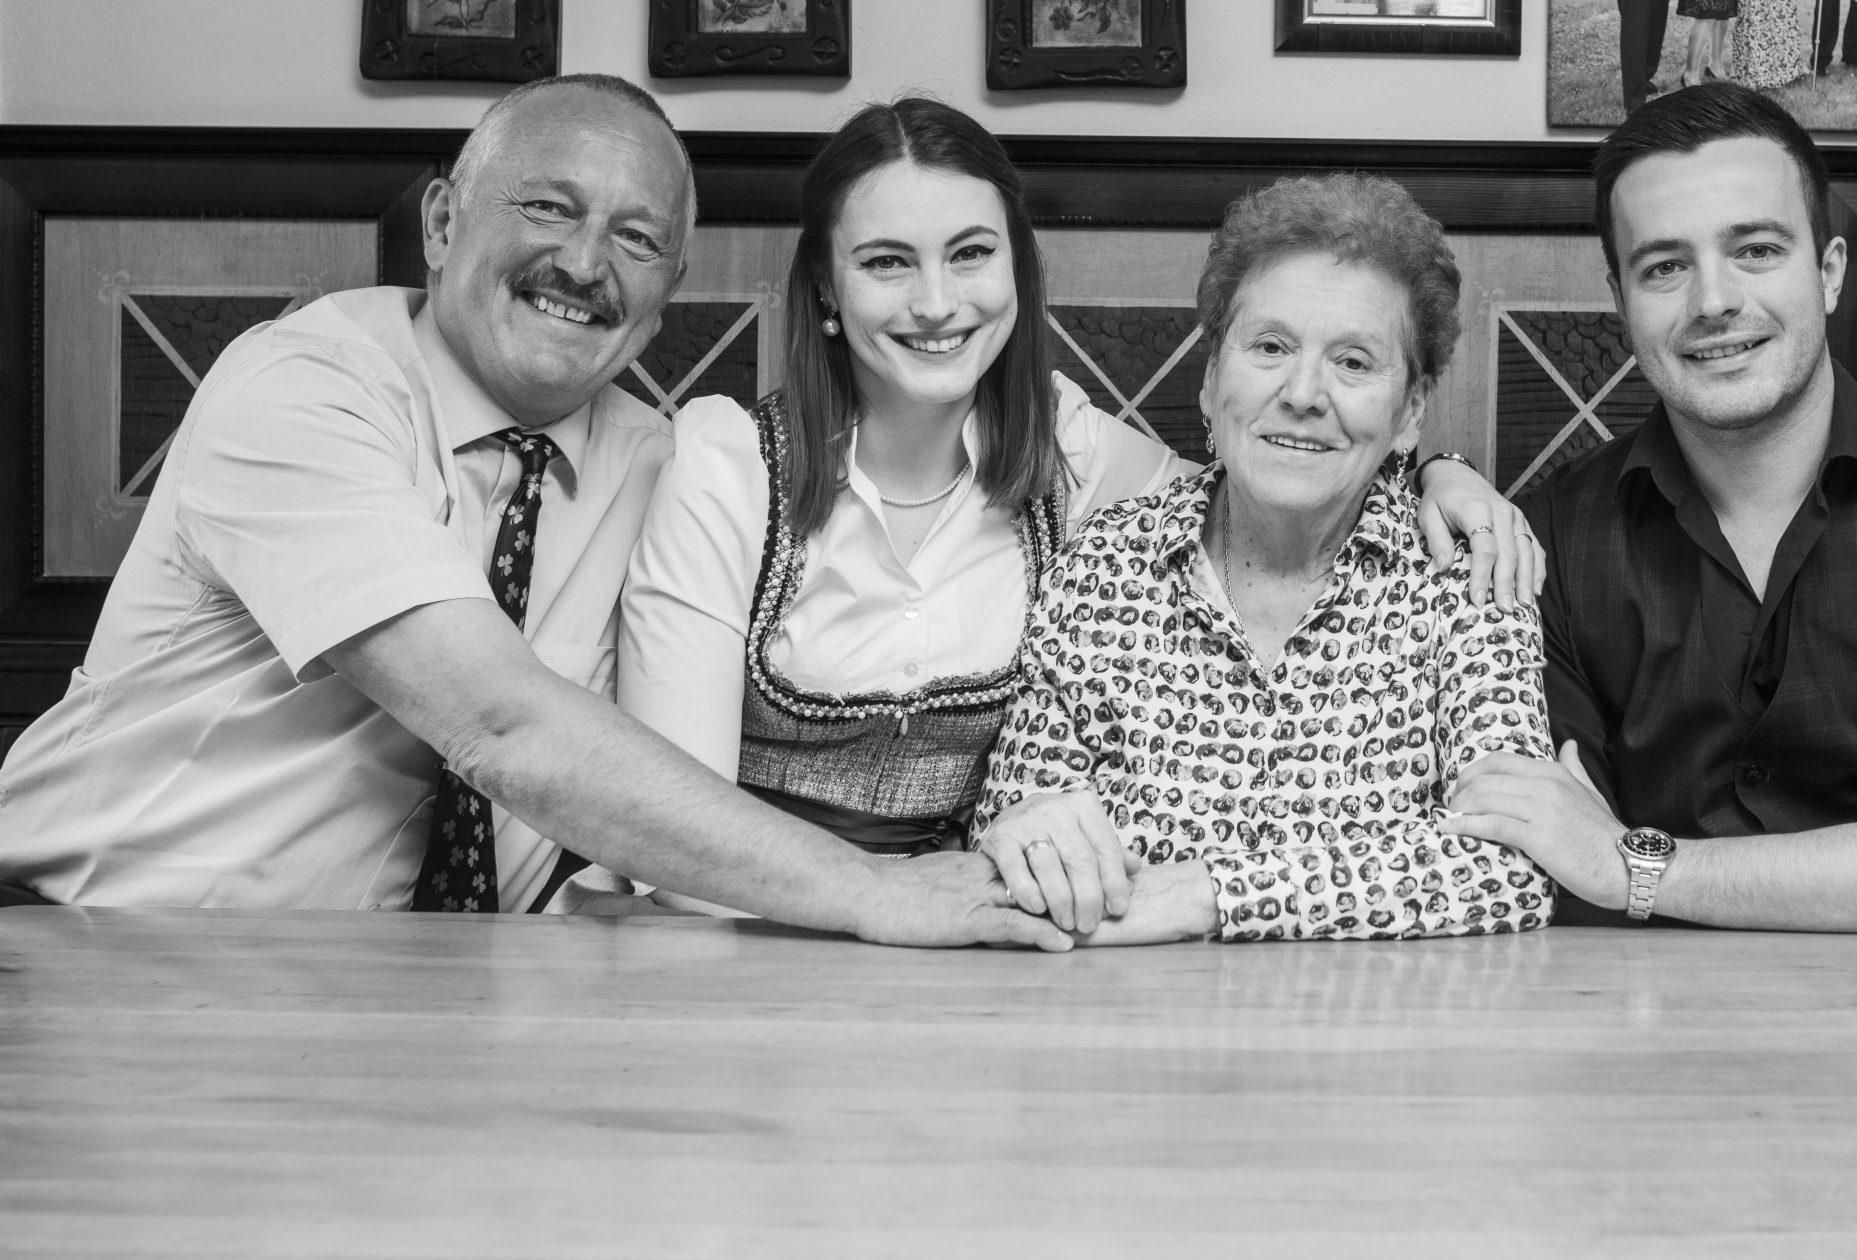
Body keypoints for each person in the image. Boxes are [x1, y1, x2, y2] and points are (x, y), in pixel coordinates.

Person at [0, 78, 1067, 946]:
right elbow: (501, 723)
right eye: (548, 207)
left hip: (439, 999)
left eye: (637, 239)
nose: (585, 264)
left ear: (669, 288)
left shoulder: (673, 466)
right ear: (441, 220)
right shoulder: (304, 388)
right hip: (102, 946)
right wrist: (880, 894)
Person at [613, 102, 1544, 920]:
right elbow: (667, 826)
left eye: (971, 255)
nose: (937, 302)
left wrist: (1437, 473)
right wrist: (895, 904)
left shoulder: (1072, 458)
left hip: (978, 938)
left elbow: (1268, 468)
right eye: (888, 262)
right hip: (738, 929)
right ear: (825, 284)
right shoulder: (732, 466)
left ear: (1016, 269)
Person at [1448, 86, 1857, 933]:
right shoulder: (1547, 544)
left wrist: (1636, 868)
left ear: (1828, 272)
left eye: (1754, 249)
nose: (1713, 301)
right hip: (1625, 1031)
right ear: (1620, 297)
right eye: (1665, 266)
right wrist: (1436, 469)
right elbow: (1537, 850)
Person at [971, 174, 1555, 943]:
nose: (1304, 392)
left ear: (1410, 411)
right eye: (1271, 347)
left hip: (1389, 1041)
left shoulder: (1468, 578)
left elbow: (1513, 871)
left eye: (1354, 362)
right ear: (1212, 382)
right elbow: (1021, 845)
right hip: (1129, 1031)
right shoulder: (1104, 567)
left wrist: (1206, 895)